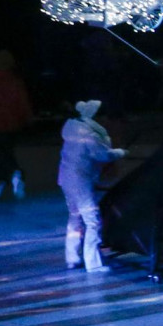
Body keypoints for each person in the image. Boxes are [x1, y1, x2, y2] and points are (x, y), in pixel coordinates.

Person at [58, 100, 127, 273]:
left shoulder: (72, 127)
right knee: (93, 221)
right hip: (80, 180)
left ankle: (72, 257)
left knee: (75, 217)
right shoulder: (89, 134)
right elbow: (102, 155)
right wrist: (120, 152)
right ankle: (93, 263)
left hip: (66, 178)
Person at [0, 50, 33, 200]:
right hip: (12, 124)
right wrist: (27, 119)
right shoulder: (15, 81)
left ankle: (11, 175)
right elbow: (22, 103)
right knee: (6, 152)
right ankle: (11, 177)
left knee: (3, 154)